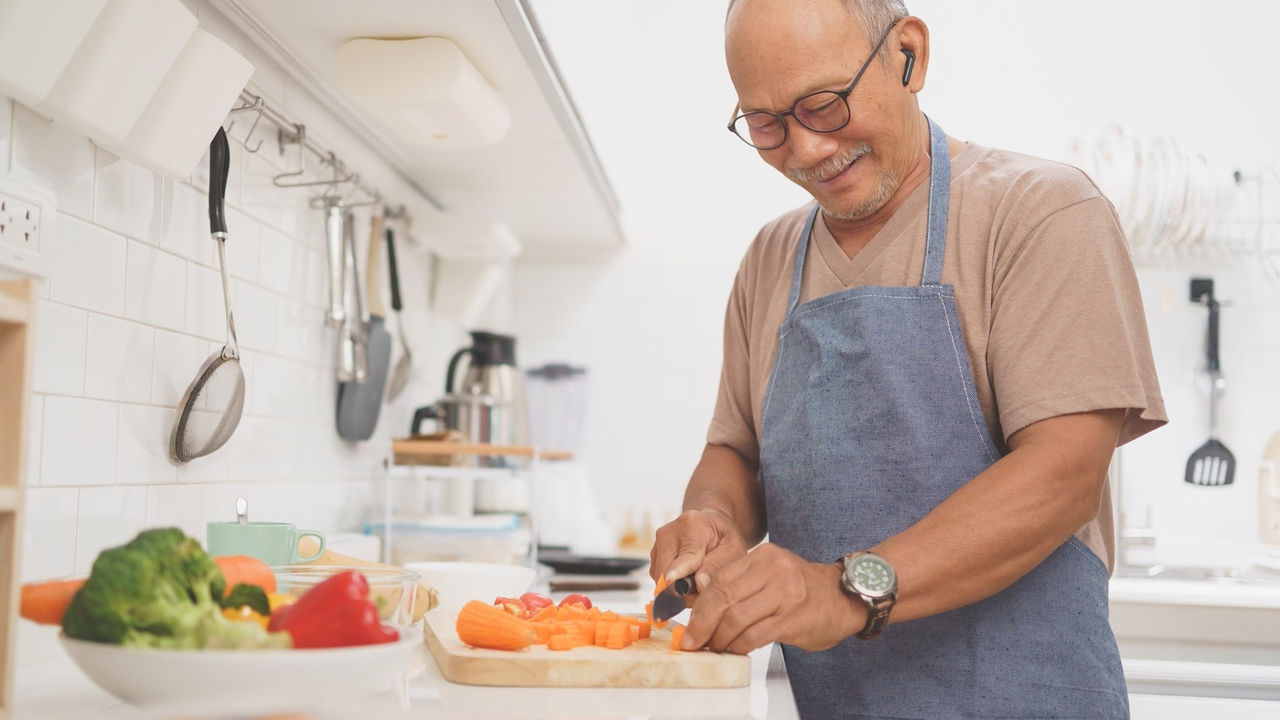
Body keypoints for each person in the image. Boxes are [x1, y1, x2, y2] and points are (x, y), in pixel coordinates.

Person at [647, 0, 1168, 717]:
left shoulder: (1040, 215)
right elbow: (734, 452)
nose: (805, 151)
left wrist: (843, 591)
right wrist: (712, 520)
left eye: (824, 106)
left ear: (908, 55)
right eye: (766, 124)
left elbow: (1064, 476)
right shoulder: (770, 259)